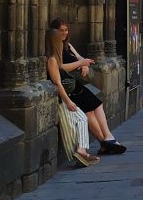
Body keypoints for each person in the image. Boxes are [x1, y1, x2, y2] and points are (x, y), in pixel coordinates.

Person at [49, 18, 127, 155]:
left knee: (97, 106)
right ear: (54, 32)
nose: (64, 33)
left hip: (76, 83)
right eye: (61, 30)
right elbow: (60, 67)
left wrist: (83, 63)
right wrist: (81, 63)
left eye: (66, 30)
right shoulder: (55, 49)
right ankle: (106, 141)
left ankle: (107, 139)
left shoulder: (67, 45)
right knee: (90, 111)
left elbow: (80, 58)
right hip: (70, 86)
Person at [44, 28, 99, 167]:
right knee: (81, 119)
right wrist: (68, 101)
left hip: (65, 98)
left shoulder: (56, 58)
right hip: (63, 99)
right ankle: (81, 152)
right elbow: (57, 82)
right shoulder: (52, 59)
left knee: (79, 121)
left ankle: (82, 153)